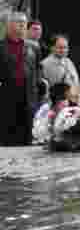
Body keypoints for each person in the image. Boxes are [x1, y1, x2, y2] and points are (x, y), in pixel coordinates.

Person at [1, 12, 45, 145]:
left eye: (24, 22)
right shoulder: (1, 47)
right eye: (18, 21)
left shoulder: (34, 46)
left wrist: (39, 84)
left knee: (27, 136)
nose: (22, 24)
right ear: (8, 25)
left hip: (28, 96)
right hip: (7, 96)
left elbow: (38, 68)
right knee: (7, 135)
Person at [41, 34, 80, 103]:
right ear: (52, 48)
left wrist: (79, 100)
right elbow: (46, 92)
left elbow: (76, 84)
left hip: (74, 103)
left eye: (65, 47)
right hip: (57, 106)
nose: (63, 50)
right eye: (60, 47)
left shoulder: (68, 61)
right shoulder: (45, 65)